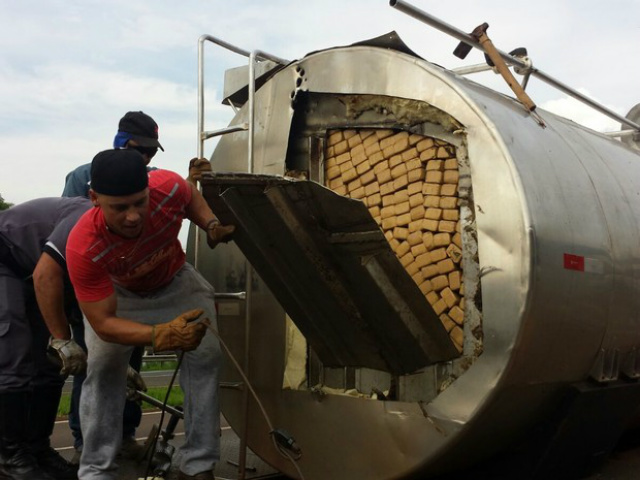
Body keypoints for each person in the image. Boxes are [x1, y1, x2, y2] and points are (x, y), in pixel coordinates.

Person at [65, 149, 234, 480]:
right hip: (119, 297)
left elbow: (189, 198)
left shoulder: (167, 187)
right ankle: (97, 469)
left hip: (174, 282)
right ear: (94, 198)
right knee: (102, 370)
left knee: (207, 356)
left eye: (139, 203)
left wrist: (210, 223)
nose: (133, 216)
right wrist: (160, 335)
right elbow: (103, 324)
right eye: (120, 208)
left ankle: (198, 465)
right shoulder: (83, 245)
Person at [62, 110, 166, 461]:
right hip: (92, 290)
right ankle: (83, 442)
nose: (147, 158)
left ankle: (124, 436)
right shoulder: (82, 178)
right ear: (122, 143)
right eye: (142, 150)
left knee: (130, 363)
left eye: (152, 153)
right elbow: (75, 237)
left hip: (131, 290)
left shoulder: (152, 181)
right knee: (95, 366)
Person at [0, 196, 92, 480]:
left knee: (52, 364)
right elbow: (45, 274)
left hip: (35, 271)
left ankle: (37, 448)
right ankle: (9, 455)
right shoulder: (84, 219)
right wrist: (63, 338)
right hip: (6, 258)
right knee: (14, 355)